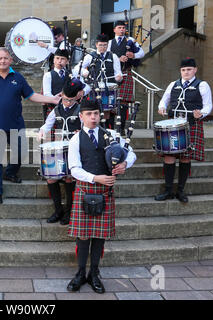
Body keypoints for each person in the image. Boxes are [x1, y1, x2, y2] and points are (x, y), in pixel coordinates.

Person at [0, 47, 60, 204]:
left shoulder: (18, 78)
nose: (2, 61)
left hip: (16, 124)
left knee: (21, 152)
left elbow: (31, 95)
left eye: (5, 58)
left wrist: (52, 100)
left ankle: (10, 172)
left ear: (10, 60)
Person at [66, 98, 136, 294]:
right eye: (89, 114)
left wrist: (124, 165)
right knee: (83, 235)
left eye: (96, 113)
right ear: (81, 116)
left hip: (105, 192)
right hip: (86, 189)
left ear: (101, 115)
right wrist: (97, 178)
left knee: (99, 236)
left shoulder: (111, 135)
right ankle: (80, 273)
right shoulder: (75, 140)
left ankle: (94, 274)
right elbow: (74, 169)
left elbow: (131, 154)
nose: (93, 117)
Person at [155, 58, 213, 203]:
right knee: (169, 157)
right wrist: (161, 107)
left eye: (188, 69)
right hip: (172, 125)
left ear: (195, 70)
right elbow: (164, 100)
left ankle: (180, 191)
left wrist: (202, 113)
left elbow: (208, 105)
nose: (186, 72)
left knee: (185, 157)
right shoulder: (173, 84)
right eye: (183, 70)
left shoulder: (202, 85)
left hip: (190, 124)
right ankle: (168, 191)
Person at [37, 78, 85, 225]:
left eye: (71, 100)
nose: (68, 103)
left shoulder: (81, 110)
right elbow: (47, 124)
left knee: (69, 178)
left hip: (73, 149)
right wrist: (42, 132)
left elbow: (87, 129)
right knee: (51, 178)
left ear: (77, 97)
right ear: (61, 95)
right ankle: (58, 210)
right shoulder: (56, 109)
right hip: (58, 148)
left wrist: (81, 132)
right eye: (65, 99)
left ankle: (69, 212)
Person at [73, 33, 122, 128]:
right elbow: (76, 68)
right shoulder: (90, 56)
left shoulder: (113, 56)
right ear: (96, 45)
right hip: (94, 89)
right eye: (100, 45)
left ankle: (107, 130)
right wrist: (84, 72)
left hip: (108, 89)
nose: (103, 47)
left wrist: (119, 77)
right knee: (94, 111)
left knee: (107, 115)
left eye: (105, 45)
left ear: (107, 45)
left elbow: (118, 73)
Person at [108, 21, 145, 136]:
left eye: (123, 28)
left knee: (123, 103)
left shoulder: (130, 40)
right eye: (119, 28)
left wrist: (133, 55)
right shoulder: (109, 43)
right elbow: (107, 56)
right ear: (114, 29)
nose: (122, 30)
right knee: (111, 102)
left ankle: (121, 128)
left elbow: (142, 53)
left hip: (126, 73)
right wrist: (118, 59)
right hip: (113, 74)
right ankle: (111, 128)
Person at [41, 49, 71, 122]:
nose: (59, 61)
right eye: (57, 58)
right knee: (56, 132)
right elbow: (47, 94)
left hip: (70, 109)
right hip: (54, 108)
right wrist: (61, 100)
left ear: (67, 62)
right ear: (54, 60)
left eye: (62, 59)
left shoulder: (70, 75)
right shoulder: (48, 75)